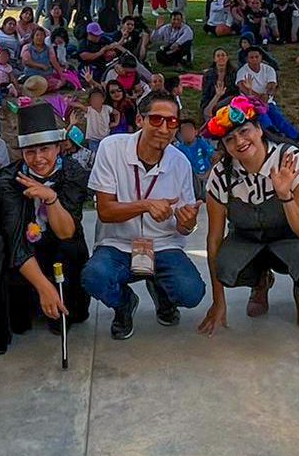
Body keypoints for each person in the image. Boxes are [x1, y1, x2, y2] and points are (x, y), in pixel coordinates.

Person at [197, 96, 299, 334]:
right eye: (229, 139)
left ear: (259, 129)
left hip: (292, 238)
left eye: (245, 131)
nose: (240, 142)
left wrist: (285, 194)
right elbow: (213, 239)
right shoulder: (221, 175)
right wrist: (218, 302)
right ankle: (260, 281)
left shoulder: (291, 159)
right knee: (225, 265)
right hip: (250, 239)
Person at [83, 90, 207, 338]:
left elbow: (184, 227)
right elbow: (105, 211)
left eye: (171, 121)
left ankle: (162, 293)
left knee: (192, 292)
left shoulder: (180, 162)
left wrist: (188, 223)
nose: (164, 128)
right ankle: (124, 303)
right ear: (140, 120)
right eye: (156, 119)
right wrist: (146, 205)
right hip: (117, 243)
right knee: (93, 277)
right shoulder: (112, 148)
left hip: (163, 245)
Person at [0, 104, 92, 350]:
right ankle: (37, 296)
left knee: (71, 315)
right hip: (24, 255)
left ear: (58, 147)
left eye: (45, 149)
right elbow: (15, 240)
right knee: (19, 325)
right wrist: (45, 287)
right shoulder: (8, 179)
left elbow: (67, 232)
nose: (38, 159)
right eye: (30, 151)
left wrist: (51, 198)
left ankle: (60, 299)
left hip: (62, 251)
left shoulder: (73, 172)